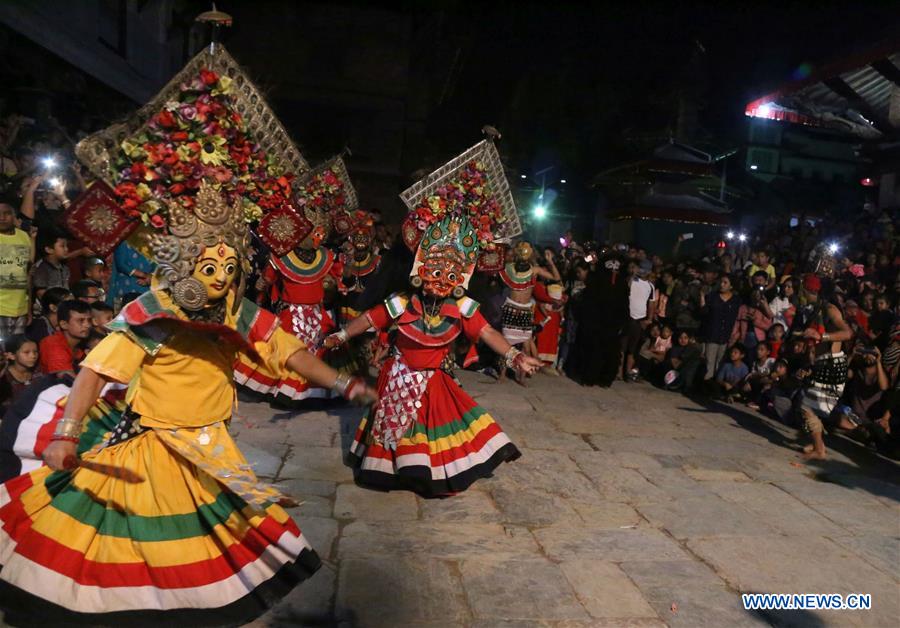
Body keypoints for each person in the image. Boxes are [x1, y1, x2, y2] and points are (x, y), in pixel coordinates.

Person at [0, 175, 378, 623]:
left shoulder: (241, 313)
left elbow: (290, 353)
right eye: (209, 267)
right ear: (185, 265)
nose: (220, 278)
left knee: (199, 535)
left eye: (229, 268)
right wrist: (67, 433)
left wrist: (342, 382)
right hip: (155, 443)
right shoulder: (152, 312)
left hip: (210, 446)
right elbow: (96, 372)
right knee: (136, 536)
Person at [327, 163, 541, 496]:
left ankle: (421, 472)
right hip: (397, 375)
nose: (441, 280)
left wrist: (514, 356)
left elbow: (486, 333)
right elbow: (371, 319)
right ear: (420, 271)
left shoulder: (462, 308)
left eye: (450, 275)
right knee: (391, 429)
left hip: (432, 380)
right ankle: (394, 470)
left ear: (461, 281)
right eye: (435, 270)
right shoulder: (402, 303)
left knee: (431, 432)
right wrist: (342, 335)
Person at [236, 207, 344, 404]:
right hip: (291, 315)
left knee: (318, 351)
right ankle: (289, 392)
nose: (316, 237)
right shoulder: (282, 257)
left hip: (317, 314)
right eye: (312, 233)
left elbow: (337, 282)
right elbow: (267, 280)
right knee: (288, 352)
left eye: (319, 233)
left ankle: (312, 393)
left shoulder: (326, 257)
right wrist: (262, 284)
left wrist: (334, 283)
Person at [794, 274, 853, 460]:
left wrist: (822, 337)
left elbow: (847, 333)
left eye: (803, 289)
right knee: (808, 405)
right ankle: (817, 444)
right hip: (823, 363)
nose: (800, 293)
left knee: (807, 407)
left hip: (833, 365)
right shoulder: (816, 309)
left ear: (811, 291)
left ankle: (820, 449)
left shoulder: (830, 309)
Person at [498, 242, 560, 383]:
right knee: (506, 345)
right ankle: (502, 375)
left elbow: (556, 278)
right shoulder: (509, 268)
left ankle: (522, 378)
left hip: (525, 310)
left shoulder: (535, 270)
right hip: (511, 309)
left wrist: (550, 261)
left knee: (526, 346)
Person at [700, 275, 741, 382]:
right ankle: (706, 385)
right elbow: (704, 313)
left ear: (731, 286)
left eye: (725, 282)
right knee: (709, 362)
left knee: (721, 363)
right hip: (712, 334)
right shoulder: (713, 296)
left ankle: (717, 387)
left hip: (727, 336)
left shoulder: (736, 300)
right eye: (721, 282)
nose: (722, 284)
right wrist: (702, 296)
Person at [0, 202, 32, 339]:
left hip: (20, 308)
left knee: (15, 352)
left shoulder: (24, 237)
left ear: (14, 216)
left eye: (6, 213)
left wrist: (28, 307)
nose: (2, 217)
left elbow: (27, 274)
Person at [37, 299, 92, 375]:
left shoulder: (83, 342)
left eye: (89, 320)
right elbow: (69, 381)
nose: (88, 325)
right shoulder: (53, 345)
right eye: (81, 321)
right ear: (64, 324)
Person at [623, 261, 657, 382]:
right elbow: (626, 286)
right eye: (641, 269)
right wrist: (632, 275)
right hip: (627, 316)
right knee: (622, 346)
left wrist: (649, 319)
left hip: (640, 319)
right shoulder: (632, 280)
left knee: (633, 349)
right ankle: (617, 372)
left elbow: (651, 304)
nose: (643, 272)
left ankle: (628, 373)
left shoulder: (650, 286)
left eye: (645, 270)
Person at [0, 335, 38, 418]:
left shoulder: (39, 374)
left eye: (35, 352)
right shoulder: (4, 377)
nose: (33, 356)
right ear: (11, 356)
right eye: (26, 352)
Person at [30, 227, 69, 297]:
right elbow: (41, 293)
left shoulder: (65, 268)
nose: (66, 249)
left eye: (67, 246)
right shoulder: (41, 268)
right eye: (62, 246)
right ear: (48, 249)